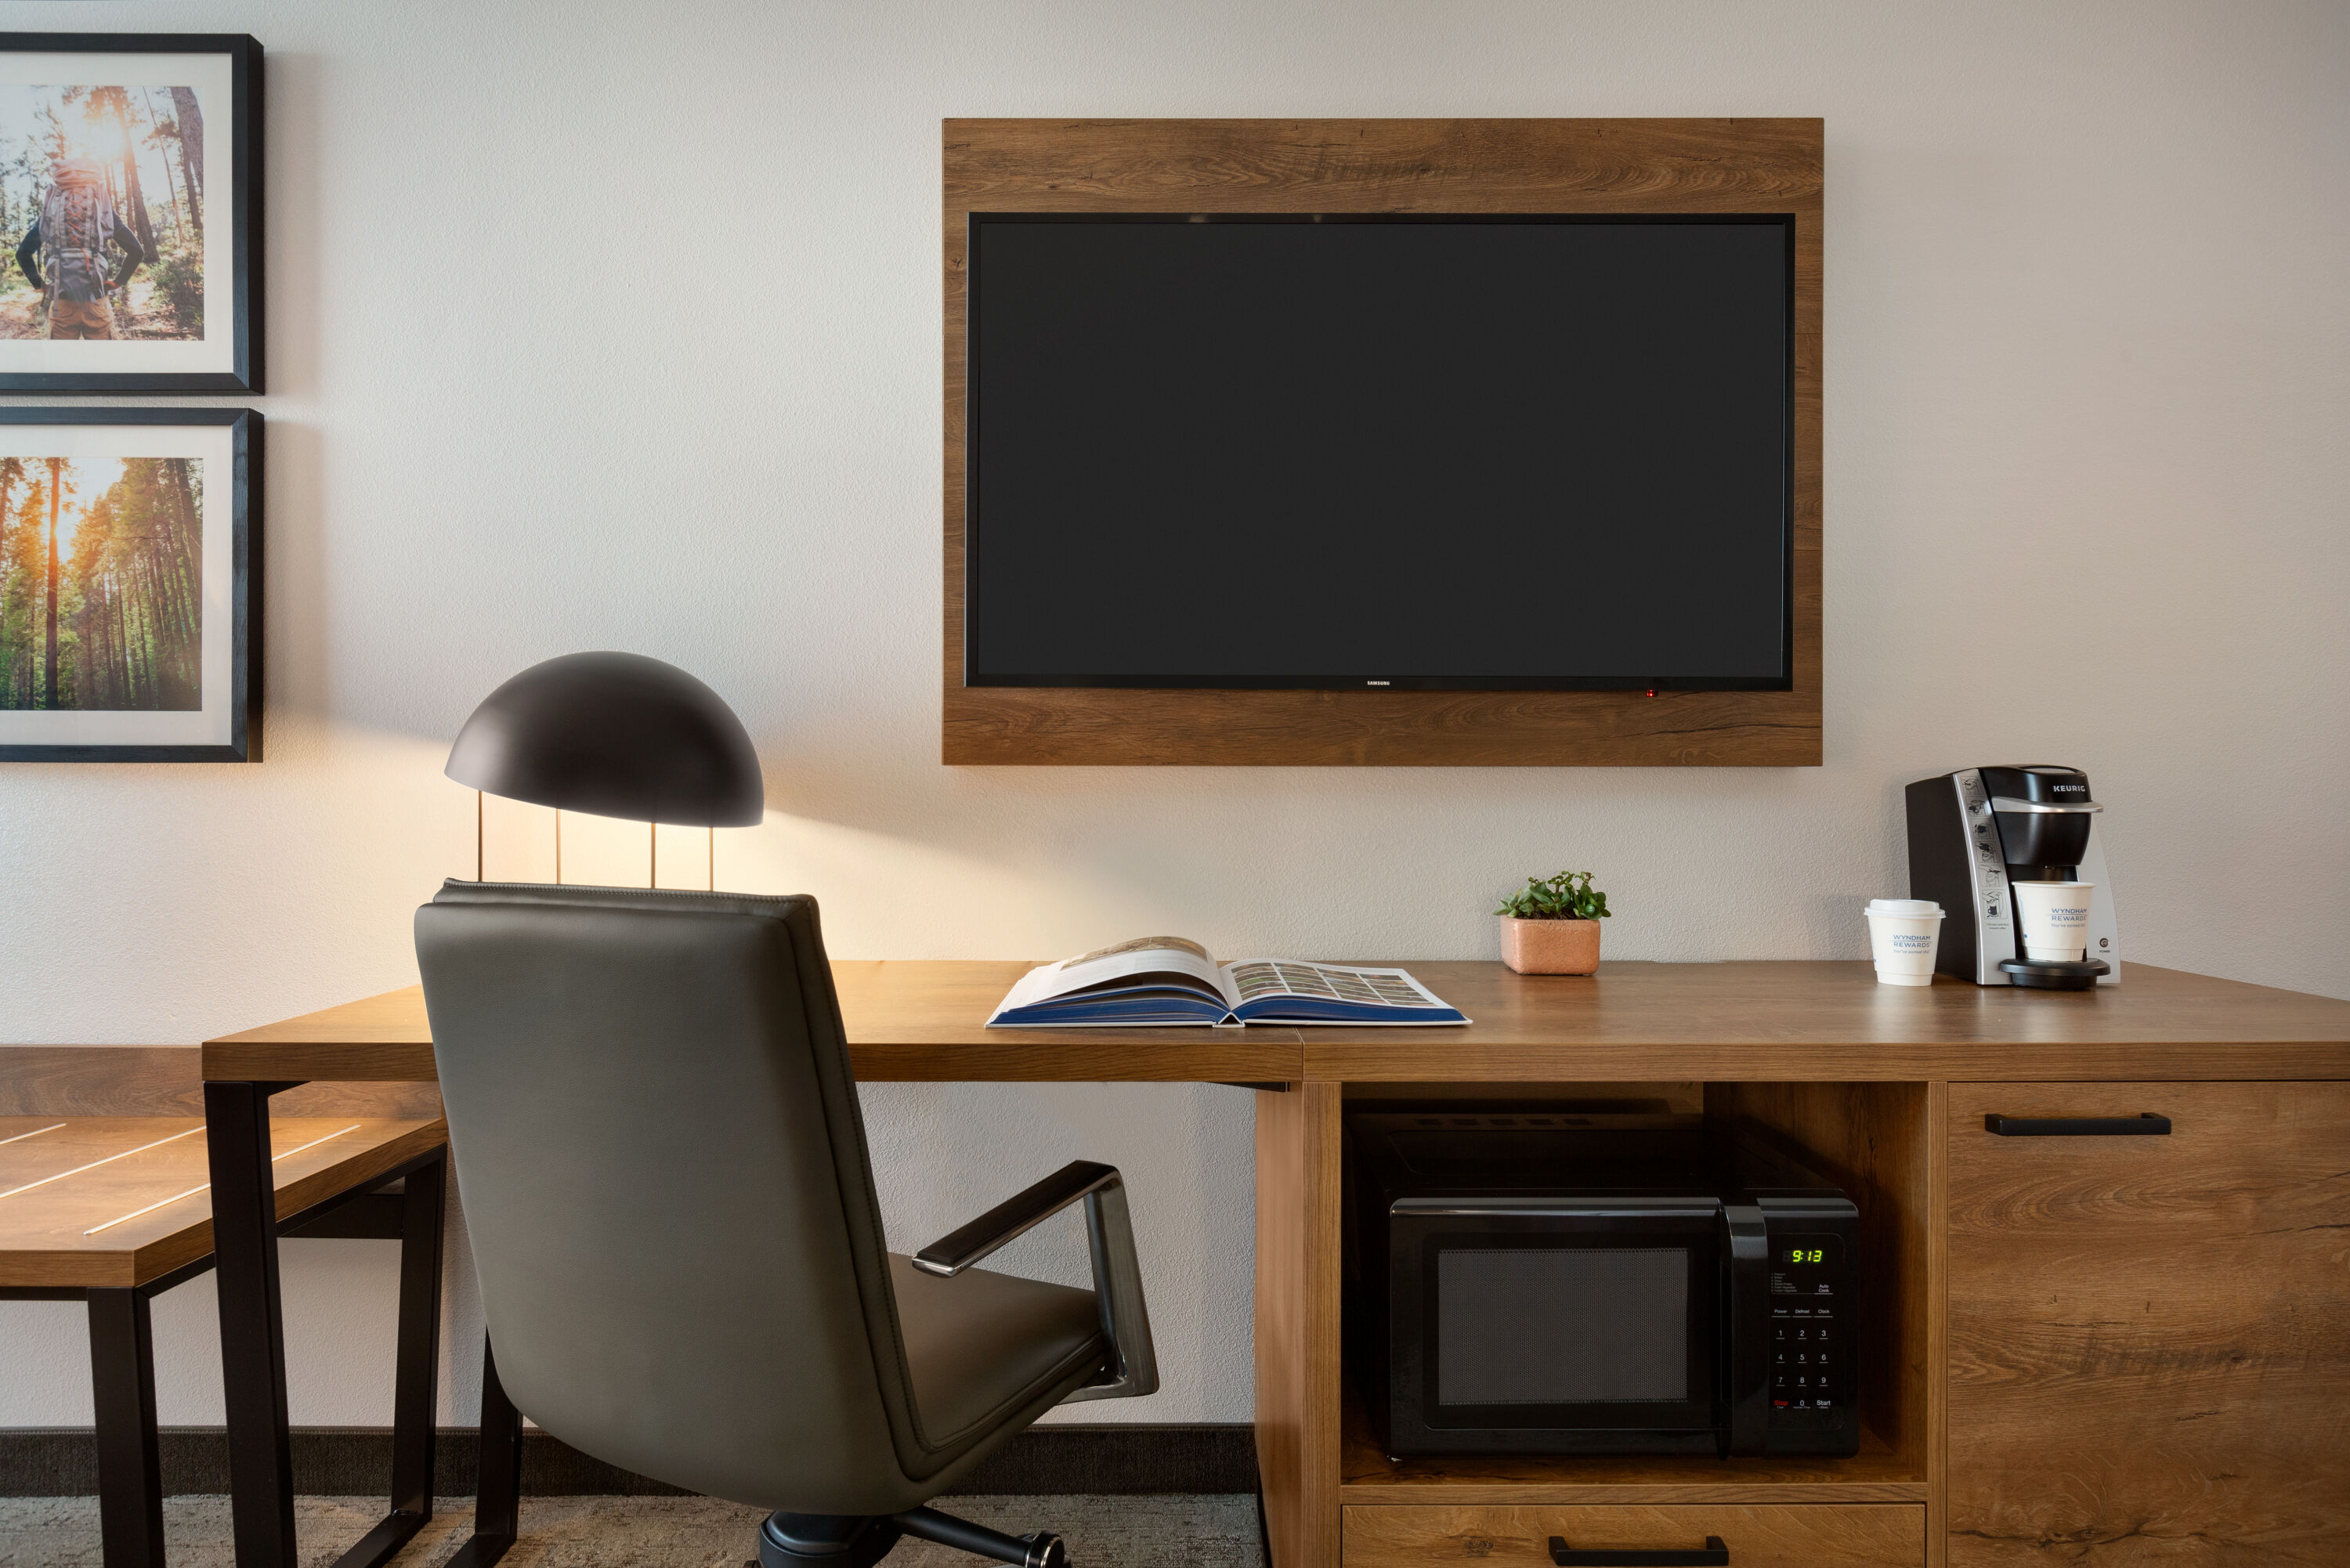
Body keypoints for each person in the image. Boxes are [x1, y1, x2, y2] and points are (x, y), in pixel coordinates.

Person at [13, 155, 146, 340]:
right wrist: (117, 282)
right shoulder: (102, 209)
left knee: (63, 366)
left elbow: (23, 254)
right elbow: (137, 251)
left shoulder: (53, 209)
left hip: (62, 305)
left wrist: (40, 285)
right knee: (100, 367)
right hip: (96, 303)